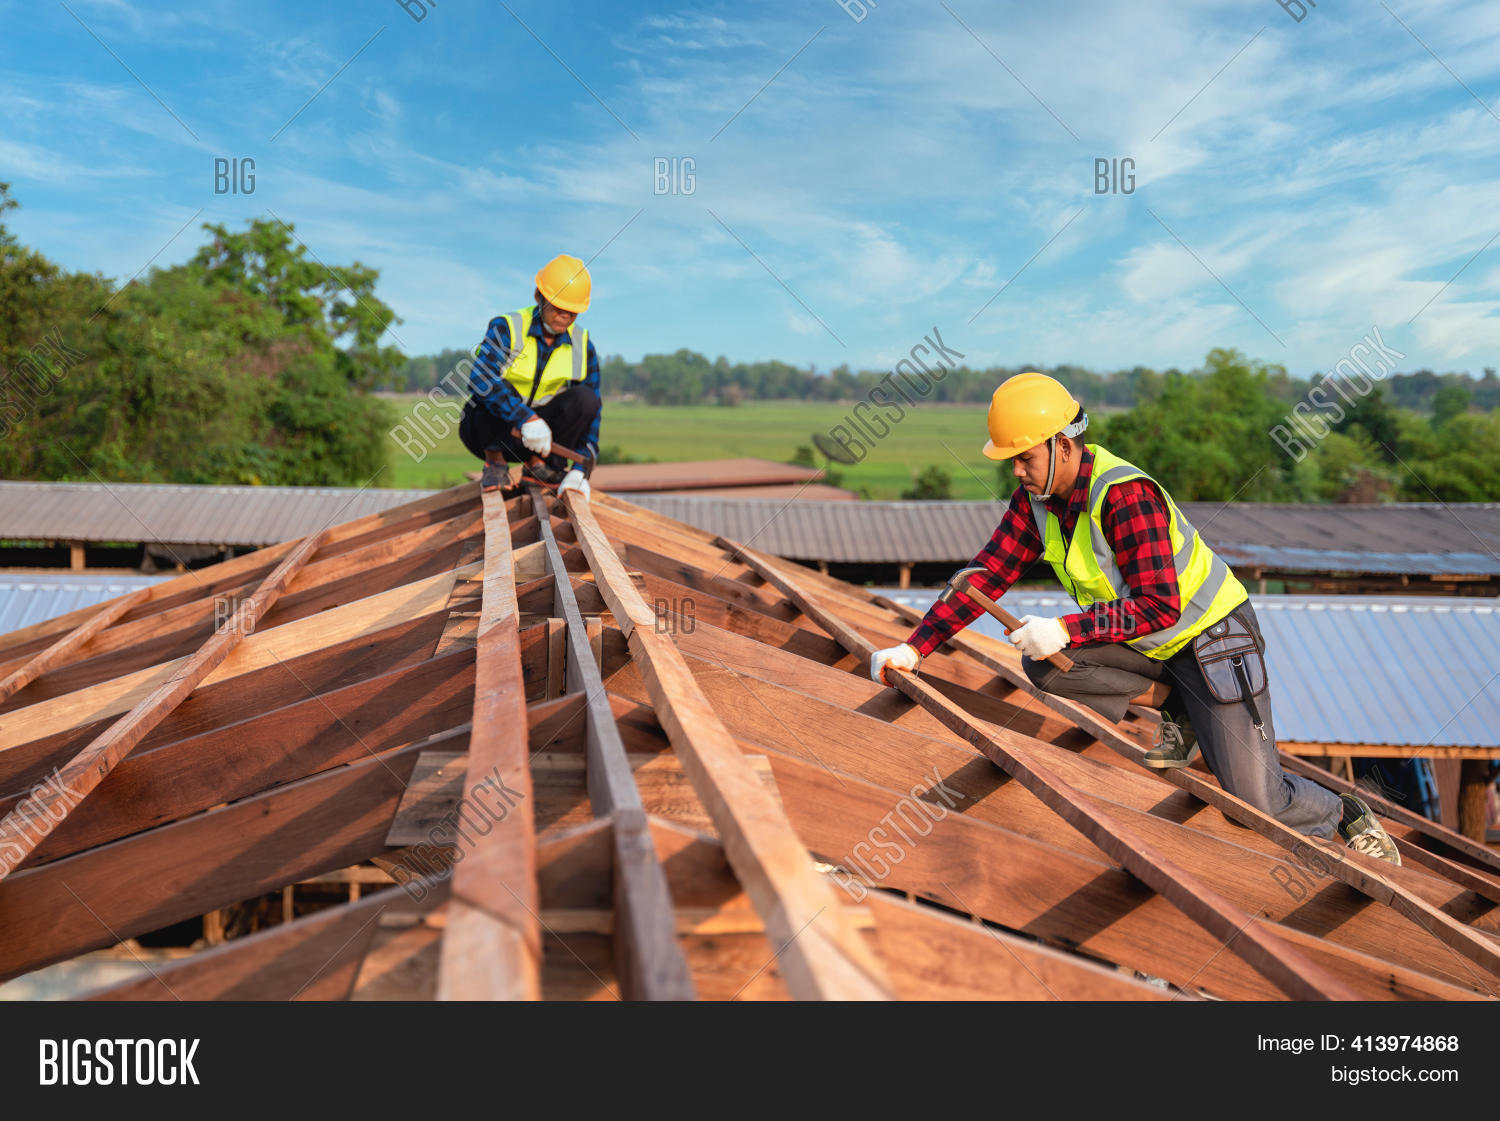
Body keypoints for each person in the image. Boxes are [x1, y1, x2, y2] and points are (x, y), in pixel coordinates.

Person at [869, 372, 1401, 864]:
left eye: (1024, 457)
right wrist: (915, 647)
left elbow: (1160, 605)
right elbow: (985, 575)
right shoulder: (1035, 502)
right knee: (1048, 665)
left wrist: (1067, 627)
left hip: (1214, 640)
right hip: (1154, 647)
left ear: (1062, 445)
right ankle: (1183, 713)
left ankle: (1341, 812)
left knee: (1252, 800)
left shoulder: (1123, 495)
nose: (1016, 469)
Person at [458, 254, 601, 497]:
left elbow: (592, 413)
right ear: (539, 297)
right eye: (558, 307)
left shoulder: (582, 345)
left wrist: (580, 469)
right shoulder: (508, 327)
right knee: (489, 390)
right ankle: (495, 464)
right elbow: (480, 378)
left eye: (572, 312)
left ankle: (539, 468)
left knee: (586, 399)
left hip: (545, 444)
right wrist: (526, 418)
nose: (565, 316)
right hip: (493, 434)